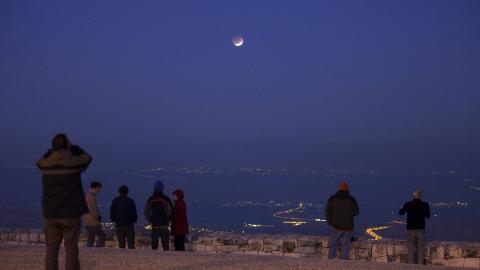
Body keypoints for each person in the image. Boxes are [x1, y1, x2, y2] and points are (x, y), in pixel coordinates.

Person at [37, 134, 92, 270]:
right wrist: (73, 147)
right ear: (67, 146)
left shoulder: (46, 165)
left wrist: (52, 151)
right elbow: (87, 158)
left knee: (51, 250)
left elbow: (40, 161)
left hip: (51, 213)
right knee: (71, 248)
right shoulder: (74, 164)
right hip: (70, 213)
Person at [325, 181, 359, 260]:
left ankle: (330, 262)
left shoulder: (332, 198)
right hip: (348, 227)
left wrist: (330, 222)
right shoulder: (351, 199)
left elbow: (328, 211)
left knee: (333, 244)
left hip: (336, 226)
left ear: (339, 188)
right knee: (345, 246)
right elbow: (356, 212)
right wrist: (348, 214)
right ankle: (343, 264)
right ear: (347, 189)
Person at [399, 190, 430, 264]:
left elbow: (401, 213)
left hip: (410, 229)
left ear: (412, 196)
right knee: (420, 250)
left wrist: (401, 208)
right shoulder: (425, 205)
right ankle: (419, 267)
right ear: (420, 195)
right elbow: (428, 216)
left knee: (411, 250)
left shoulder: (408, 204)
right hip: (420, 229)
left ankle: (411, 267)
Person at [144, 181, 172, 250]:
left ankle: (154, 260)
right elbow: (170, 211)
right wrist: (167, 219)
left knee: (154, 247)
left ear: (154, 188)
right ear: (162, 189)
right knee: (165, 246)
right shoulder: (166, 198)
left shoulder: (151, 199)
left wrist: (150, 220)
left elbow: (146, 212)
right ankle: (166, 260)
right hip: (164, 224)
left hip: (155, 224)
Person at [83, 181, 106, 247]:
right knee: (101, 235)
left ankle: (90, 250)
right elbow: (92, 209)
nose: (99, 190)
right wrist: (97, 217)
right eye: (99, 188)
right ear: (96, 188)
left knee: (91, 237)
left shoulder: (87, 195)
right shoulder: (90, 196)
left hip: (87, 220)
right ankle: (99, 249)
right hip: (92, 221)